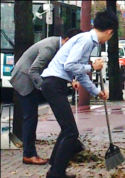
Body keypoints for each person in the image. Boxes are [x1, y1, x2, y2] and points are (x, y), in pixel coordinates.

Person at [40, 10, 118, 178]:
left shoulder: (87, 41)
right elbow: (70, 66)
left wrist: (96, 91)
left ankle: (55, 169)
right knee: (70, 132)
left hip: (55, 84)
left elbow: (79, 74)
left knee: (67, 130)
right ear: (109, 31)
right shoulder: (85, 41)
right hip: (54, 84)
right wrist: (92, 65)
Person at [9, 28, 82, 165]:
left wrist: (71, 80)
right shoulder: (49, 47)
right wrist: (45, 87)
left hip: (30, 78)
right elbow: (33, 70)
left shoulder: (58, 46)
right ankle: (29, 154)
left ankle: (29, 152)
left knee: (31, 117)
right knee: (30, 117)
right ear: (67, 40)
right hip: (24, 78)